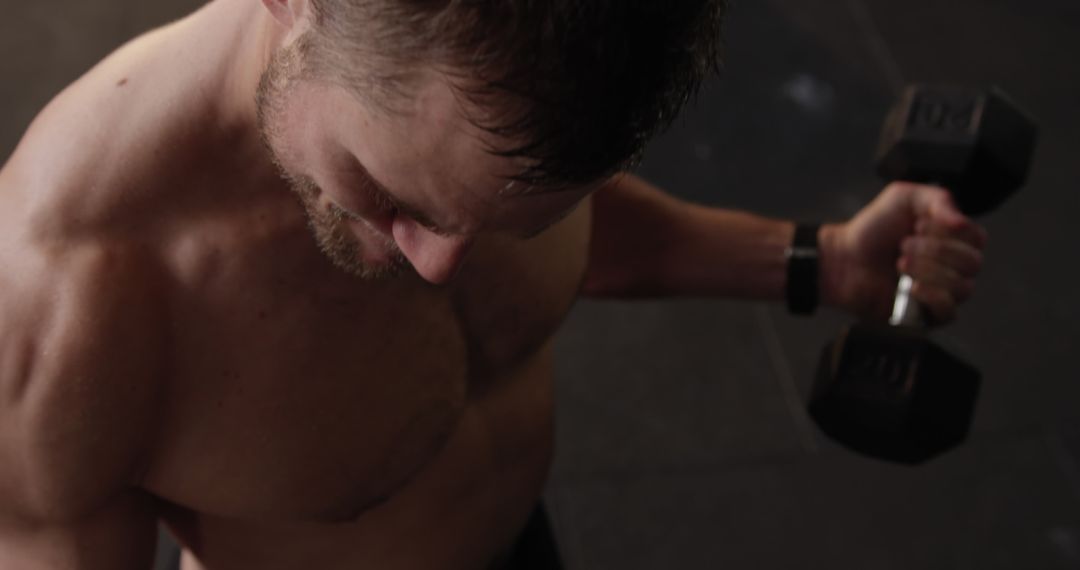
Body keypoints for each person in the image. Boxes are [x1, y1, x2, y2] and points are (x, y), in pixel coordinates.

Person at [0, 0, 986, 568]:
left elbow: (549, 229)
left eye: (520, 219)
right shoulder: (67, 311)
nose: (438, 266)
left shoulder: (515, 100)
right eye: (392, 199)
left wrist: (815, 261)